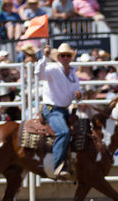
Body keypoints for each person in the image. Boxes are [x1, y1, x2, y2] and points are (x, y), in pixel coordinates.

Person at [35, 43, 82, 178]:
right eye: (63, 55)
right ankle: (58, 166)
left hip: (64, 110)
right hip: (52, 109)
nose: (65, 57)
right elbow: (39, 74)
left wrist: (79, 94)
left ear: (71, 57)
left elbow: (76, 91)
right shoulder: (52, 69)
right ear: (58, 57)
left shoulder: (73, 73)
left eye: (68, 55)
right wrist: (44, 57)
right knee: (63, 132)